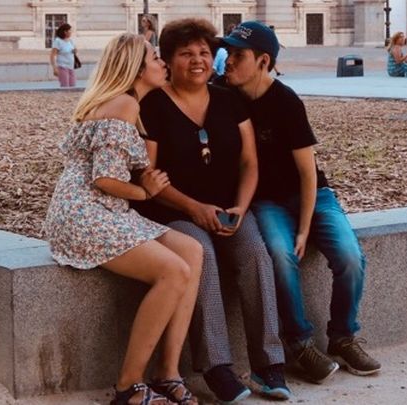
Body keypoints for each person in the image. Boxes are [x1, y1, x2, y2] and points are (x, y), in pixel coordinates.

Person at [42, 33, 203, 405]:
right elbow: (105, 179)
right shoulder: (124, 104)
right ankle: (129, 387)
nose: (162, 64)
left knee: (192, 251)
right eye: (155, 58)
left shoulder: (125, 102)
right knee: (173, 271)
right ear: (136, 68)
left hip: (102, 209)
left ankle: (168, 372)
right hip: (84, 213)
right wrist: (146, 193)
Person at [136, 18, 289, 403]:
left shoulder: (228, 99)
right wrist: (194, 207)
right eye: (185, 53)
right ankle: (217, 365)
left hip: (229, 207)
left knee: (255, 253)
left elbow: (249, 162)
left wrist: (241, 206)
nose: (198, 60)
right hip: (173, 211)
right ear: (168, 60)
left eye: (204, 52)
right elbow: (147, 177)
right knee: (200, 253)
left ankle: (269, 362)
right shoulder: (153, 105)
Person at [221, 20, 381, 384]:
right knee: (281, 256)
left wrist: (305, 228)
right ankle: (300, 343)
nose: (228, 60)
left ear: (263, 61)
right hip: (266, 201)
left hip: (313, 195)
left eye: (238, 55)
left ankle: (343, 336)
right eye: (228, 52)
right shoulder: (224, 95)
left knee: (350, 257)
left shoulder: (286, 102)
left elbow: (308, 174)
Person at [50, 23, 77, 88]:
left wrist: (74, 51)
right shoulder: (58, 41)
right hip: (62, 67)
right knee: (65, 87)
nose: (71, 32)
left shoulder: (70, 41)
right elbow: (53, 55)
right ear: (65, 32)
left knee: (73, 86)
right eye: (70, 30)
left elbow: (73, 51)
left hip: (71, 67)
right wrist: (54, 68)